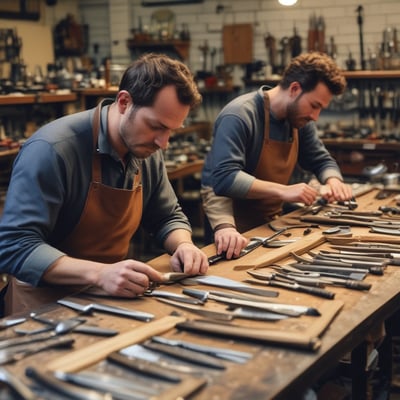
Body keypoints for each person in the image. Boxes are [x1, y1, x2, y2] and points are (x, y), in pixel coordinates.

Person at [0, 53, 209, 315]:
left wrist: (184, 245)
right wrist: (99, 274)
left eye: (171, 131)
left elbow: (166, 215)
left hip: (109, 298)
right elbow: (14, 246)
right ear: (124, 102)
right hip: (43, 308)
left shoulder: (147, 150)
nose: (163, 143)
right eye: (156, 126)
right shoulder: (52, 150)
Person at [201, 52, 353, 260]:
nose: (315, 117)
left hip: (271, 225)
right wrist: (284, 191)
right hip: (233, 232)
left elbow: (320, 159)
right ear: (294, 89)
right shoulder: (239, 115)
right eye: (314, 106)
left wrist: (333, 180)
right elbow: (225, 178)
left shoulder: (298, 120)